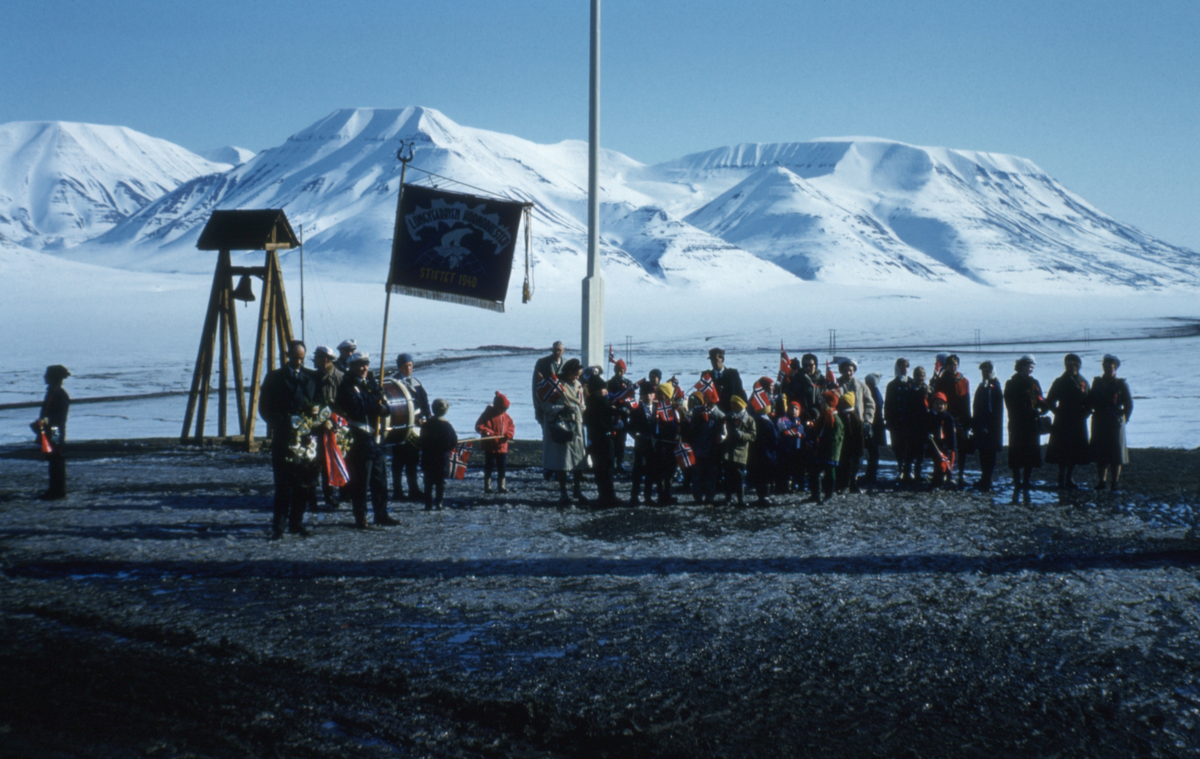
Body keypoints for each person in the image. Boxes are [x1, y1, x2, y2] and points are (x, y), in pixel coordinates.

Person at [260, 340, 319, 538]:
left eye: (302, 358)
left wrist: (316, 414)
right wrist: (283, 423)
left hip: (305, 439)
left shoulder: (310, 377)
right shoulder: (275, 377)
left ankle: (297, 523)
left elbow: (319, 403)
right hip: (284, 438)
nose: (299, 362)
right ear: (288, 356)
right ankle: (279, 526)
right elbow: (265, 408)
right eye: (295, 358)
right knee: (283, 485)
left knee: (303, 485)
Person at [336, 352, 400, 528]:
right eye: (360, 365)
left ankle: (381, 514)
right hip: (359, 439)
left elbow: (386, 406)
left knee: (380, 481)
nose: (364, 368)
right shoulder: (346, 387)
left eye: (366, 364)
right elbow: (357, 408)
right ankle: (361, 517)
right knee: (361, 482)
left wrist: (384, 409)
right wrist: (375, 400)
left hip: (376, 437)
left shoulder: (372, 384)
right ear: (352, 366)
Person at [541, 357, 588, 505]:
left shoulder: (579, 385)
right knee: (562, 463)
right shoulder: (556, 386)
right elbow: (546, 406)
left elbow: (582, 405)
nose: (577, 377)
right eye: (575, 374)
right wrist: (562, 409)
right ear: (568, 371)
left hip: (577, 429)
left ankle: (577, 490)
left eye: (579, 374)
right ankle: (563, 492)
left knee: (578, 463)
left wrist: (582, 411)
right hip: (562, 429)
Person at [1045, 353, 1091, 489]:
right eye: (1067, 365)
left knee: (1075, 450)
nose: (1070, 367)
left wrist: (1085, 415)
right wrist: (1056, 412)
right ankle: (1061, 476)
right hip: (1063, 418)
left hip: (1078, 419)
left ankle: (1069, 477)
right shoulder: (1059, 381)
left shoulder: (1083, 382)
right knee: (1062, 450)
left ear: (1078, 366)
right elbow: (1049, 400)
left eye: (1072, 365)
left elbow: (1089, 402)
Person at [391, 352, 431, 502]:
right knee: (398, 462)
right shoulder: (394, 383)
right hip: (399, 428)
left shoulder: (416, 383)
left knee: (413, 461)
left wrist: (427, 418)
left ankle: (413, 489)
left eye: (410, 365)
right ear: (400, 367)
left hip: (415, 428)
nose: (408, 368)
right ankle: (397, 491)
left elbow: (425, 403)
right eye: (405, 366)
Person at [1089, 354, 1133, 492]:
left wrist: (1124, 419)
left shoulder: (1121, 384)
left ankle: (1114, 483)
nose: (1108, 369)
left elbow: (1129, 404)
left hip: (1115, 421)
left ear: (1115, 368)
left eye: (1111, 367)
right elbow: (1090, 399)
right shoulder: (1096, 382)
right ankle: (1101, 481)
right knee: (1100, 453)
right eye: (1106, 367)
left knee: (1116, 454)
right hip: (1099, 420)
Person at [1004, 354, 1048, 490]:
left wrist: (1043, 408)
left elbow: (1040, 398)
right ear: (1021, 366)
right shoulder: (1011, 383)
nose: (1031, 369)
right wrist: (1030, 411)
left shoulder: (1034, 382)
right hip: (1017, 423)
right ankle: (1017, 480)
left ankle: (1027, 480)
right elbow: (1011, 404)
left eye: (1032, 366)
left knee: (1031, 452)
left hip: (1031, 424)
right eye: (1029, 366)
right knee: (1016, 452)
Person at [308, 345, 343, 510]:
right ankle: (312, 499)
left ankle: (330, 496)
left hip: (331, 429)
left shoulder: (340, 378)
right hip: (313, 428)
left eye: (317, 358)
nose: (314, 361)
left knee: (329, 462)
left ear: (326, 360)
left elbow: (344, 405)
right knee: (312, 463)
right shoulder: (311, 377)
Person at [31, 364, 71, 500]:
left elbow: (57, 417)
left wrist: (44, 426)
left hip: (54, 430)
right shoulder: (54, 392)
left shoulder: (57, 393)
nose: (44, 377)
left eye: (47, 375)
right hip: (51, 429)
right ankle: (55, 490)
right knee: (53, 458)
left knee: (55, 458)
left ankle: (57, 491)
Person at [930, 354, 971, 487]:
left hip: (960, 419)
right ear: (946, 366)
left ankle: (961, 473)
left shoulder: (964, 381)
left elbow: (967, 402)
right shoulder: (941, 381)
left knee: (962, 447)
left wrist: (968, 421)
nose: (953, 367)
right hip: (945, 419)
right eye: (950, 365)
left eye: (955, 364)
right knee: (945, 447)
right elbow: (936, 399)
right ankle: (945, 472)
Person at [583, 374, 620, 507]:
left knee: (599, 468)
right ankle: (609, 497)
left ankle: (603, 495)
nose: (606, 391)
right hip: (604, 438)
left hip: (594, 439)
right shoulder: (600, 400)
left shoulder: (590, 401)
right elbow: (608, 412)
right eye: (604, 389)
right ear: (599, 389)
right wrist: (620, 411)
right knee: (608, 467)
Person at [419, 399, 457, 510]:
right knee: (440, 482)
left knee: (428, 481)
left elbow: (421, 440)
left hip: (428, 457)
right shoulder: (447, 426)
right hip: (442, 457)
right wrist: (447, 449)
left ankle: (428, 504)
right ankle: (439, 503)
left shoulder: (426, 425)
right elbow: (454, 441)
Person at [688, 390, 725, 504]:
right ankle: (697, 496)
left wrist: (719, 442)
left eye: (707, 397)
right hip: (698, 448)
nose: (704, 399)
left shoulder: (719, 415)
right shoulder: (697, 411)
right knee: (697, 474)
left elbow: (722, 433)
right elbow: (691, 427)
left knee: (711, 474)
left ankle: (710, 496)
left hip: (711, 450)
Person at [971, 361, 1004, 491]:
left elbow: (996, 411)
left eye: (988, 371)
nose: (986, 373)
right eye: (984, 371)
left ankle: (988, 477)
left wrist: (989, 426)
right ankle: (984, 477)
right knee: (982, 452)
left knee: (990, 453)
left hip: (991, 428)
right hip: (981, 426)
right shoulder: (982, 386)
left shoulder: (994, 387)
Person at [806, 391, 844, 503]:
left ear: (829, 403)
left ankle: (828, 495)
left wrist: (819, 443)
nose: (820, 404)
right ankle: (815, 494)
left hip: (831, 451)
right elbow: (816, 431)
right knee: (814, 471)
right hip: (821, 449)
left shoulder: (835, 420)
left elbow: (834, 439)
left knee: (829, 472)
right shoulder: (823, 416)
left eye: (822, 401)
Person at [475, 392, 515, 494]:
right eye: (503, 409)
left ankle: (502, 486)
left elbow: (511, 426)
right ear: (497, 407)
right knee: (489, 467)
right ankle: (487, 486)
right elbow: (479, 426)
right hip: (490, 447)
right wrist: (490, 434)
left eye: (506, 409)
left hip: (502, 447)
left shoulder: (506, 416)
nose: (504, 411)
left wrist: (509, 434)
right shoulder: (487, 414)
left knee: (502, 467)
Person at [720, 396, 756, 506]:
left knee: (739, 478)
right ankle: (728, 499)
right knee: (728, 477)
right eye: (731, 403)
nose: (732, 406)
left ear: (740, 405)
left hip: (740, 453)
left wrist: (742, 435)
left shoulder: (749, 419)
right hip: (728, 452)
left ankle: (740, 499)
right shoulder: (727, 417)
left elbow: (753, 436)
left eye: (734, 403)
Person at [885, 358, 913, 482]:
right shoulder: (892, 385)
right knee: (897, 446)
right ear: (898, 368)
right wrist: (888, 420)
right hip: (896, 421)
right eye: (902, 367)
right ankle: (900, 469)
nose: (904, 369)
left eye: (906, 367)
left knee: (909, 445)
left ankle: (909, 470)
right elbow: (888, 404)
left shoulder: (912, 383)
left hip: (909, 421)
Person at [606, 359, 634, 472]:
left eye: (621, 370)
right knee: (611, 441)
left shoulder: (628, 383)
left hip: (623, 416)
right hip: (612, 415)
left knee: (621, 441)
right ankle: (611, 463)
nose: (619, 372)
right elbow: (607, 398)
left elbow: (631, 399)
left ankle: (620, 463)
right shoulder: (608, 383)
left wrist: (628, 409)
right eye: (617, 370)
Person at [926, 392, 958, 489]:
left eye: (941, 404)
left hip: (946, 444)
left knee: (946, 462)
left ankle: (948, 476)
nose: (939, 406)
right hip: (934, 443)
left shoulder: (948, 417)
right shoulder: (930, 416)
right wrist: (928, 434)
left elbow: (952, 434)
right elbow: (926, 428)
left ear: (945, 405)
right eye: (937, 404)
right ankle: (938, 479)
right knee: (938, 462)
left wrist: (952, 447)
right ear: (933, 405)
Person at [906, 366, 932, 483]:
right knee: (910, 451)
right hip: (912, 424)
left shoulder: (928, 389)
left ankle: (918, 474)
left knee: (921, 452)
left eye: (922, 375)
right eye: (917, 375)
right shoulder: (910, 389)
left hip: (924, 424)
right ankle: (907, 473)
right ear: (914, 376)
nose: (920, 378)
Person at [835, 391, 864, 494]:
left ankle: (849, 484)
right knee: (845, 467)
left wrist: (860, 451)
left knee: (851, 467)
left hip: (851, 447)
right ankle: (846, 484)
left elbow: (860, 437)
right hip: (846, 447)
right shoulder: (844, 417)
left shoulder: (854, 419)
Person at [532, 341, 566, 427]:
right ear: (552, 350)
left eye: (559, 350)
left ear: (563, 351)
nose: (557, 352)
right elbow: (535, 384)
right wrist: (536, 405)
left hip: (562, 402)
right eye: (555, 350)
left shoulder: (566, 363)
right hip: (546, 401)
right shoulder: (542, 363)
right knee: (547, 429)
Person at [863, 372, 886, 484]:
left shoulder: (872, 394)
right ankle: (871, 474)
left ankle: (871, 475)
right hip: (877, 426)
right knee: (874, 452)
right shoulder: (876, 392)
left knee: (873, 452)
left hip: (874, 426)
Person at [708, 347, 746, 415]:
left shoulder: (733, 374)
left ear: (722, 359)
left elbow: (740, 392)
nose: (713, 362)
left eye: (716, 359)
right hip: (714, 413)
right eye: (712, 360)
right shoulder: (707, 376)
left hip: (731, 411)